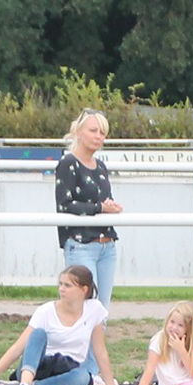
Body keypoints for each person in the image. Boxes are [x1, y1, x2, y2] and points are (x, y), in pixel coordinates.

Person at [0, 266, 117, 385]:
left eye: (68, 286)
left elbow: (100, 350)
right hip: (38, 365)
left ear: (84, 289)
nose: (61, 289)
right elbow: (18, 347)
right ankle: (25, 384)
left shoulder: (94, 309)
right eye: (60, 284)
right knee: (38, 333)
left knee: (83, 378)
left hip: (68, 368)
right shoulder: (45, 311)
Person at [56, 108, 122, 309]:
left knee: (101, 309)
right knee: (85, 308)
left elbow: (103, 200)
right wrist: (100, 207)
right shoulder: (68, 163)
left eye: (102, 133)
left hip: (106, 245)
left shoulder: (100, 166)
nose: (98, 136)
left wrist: (110, 206)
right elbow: (64, 205)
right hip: (80, 244)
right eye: (93, 131)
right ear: (79, 132)